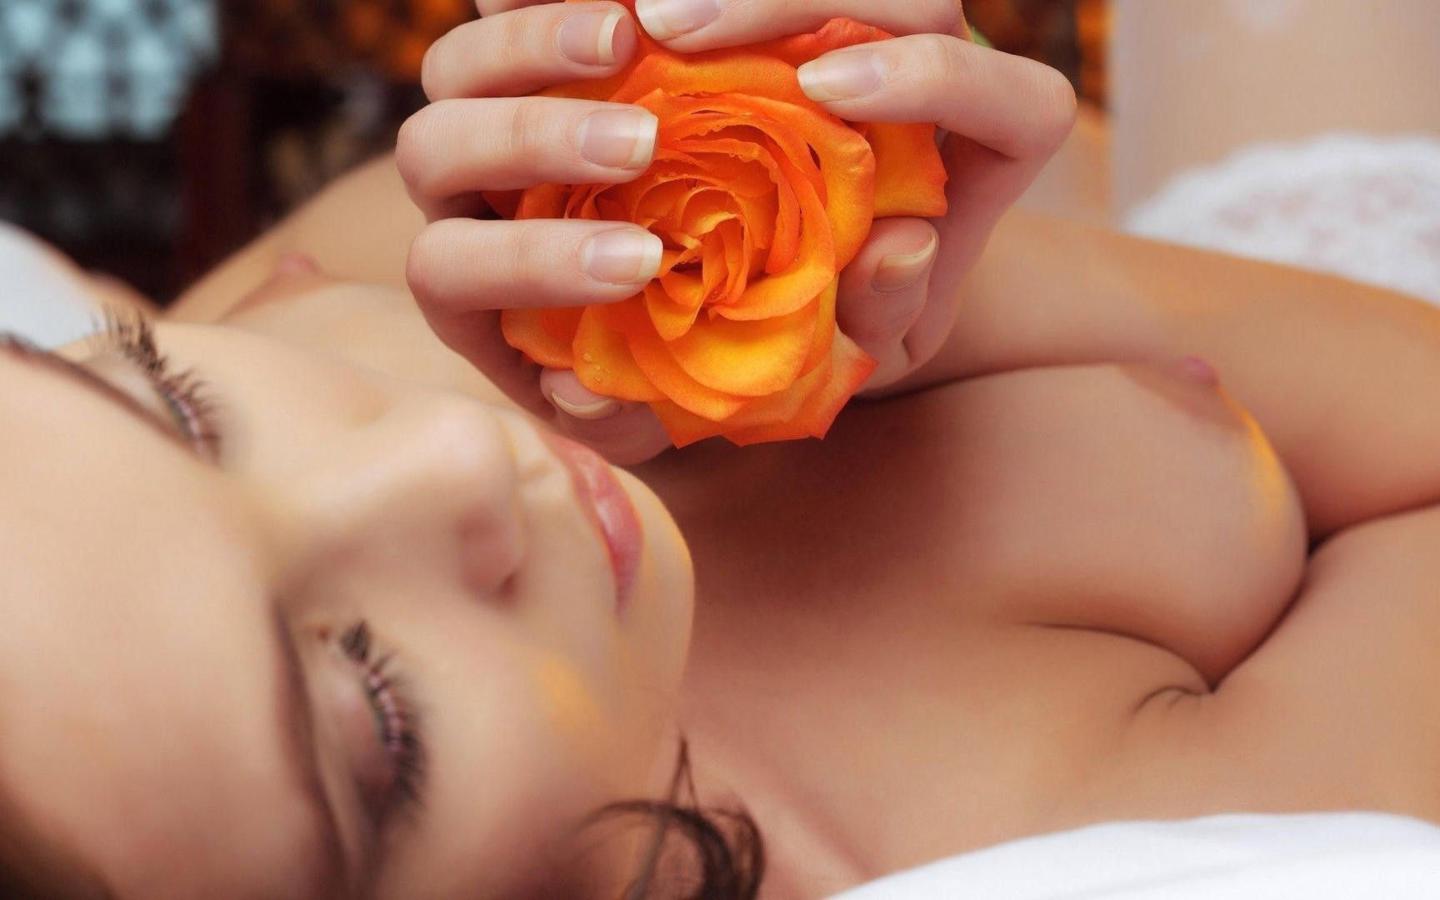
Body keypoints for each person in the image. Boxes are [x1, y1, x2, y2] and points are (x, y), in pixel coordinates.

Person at [6, 1, 1440, 897]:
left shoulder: (353, 294)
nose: (446, 457)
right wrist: (926, 303)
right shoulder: (1029, 831)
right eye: (376, 712)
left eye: (177, 408)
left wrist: (831, 166)